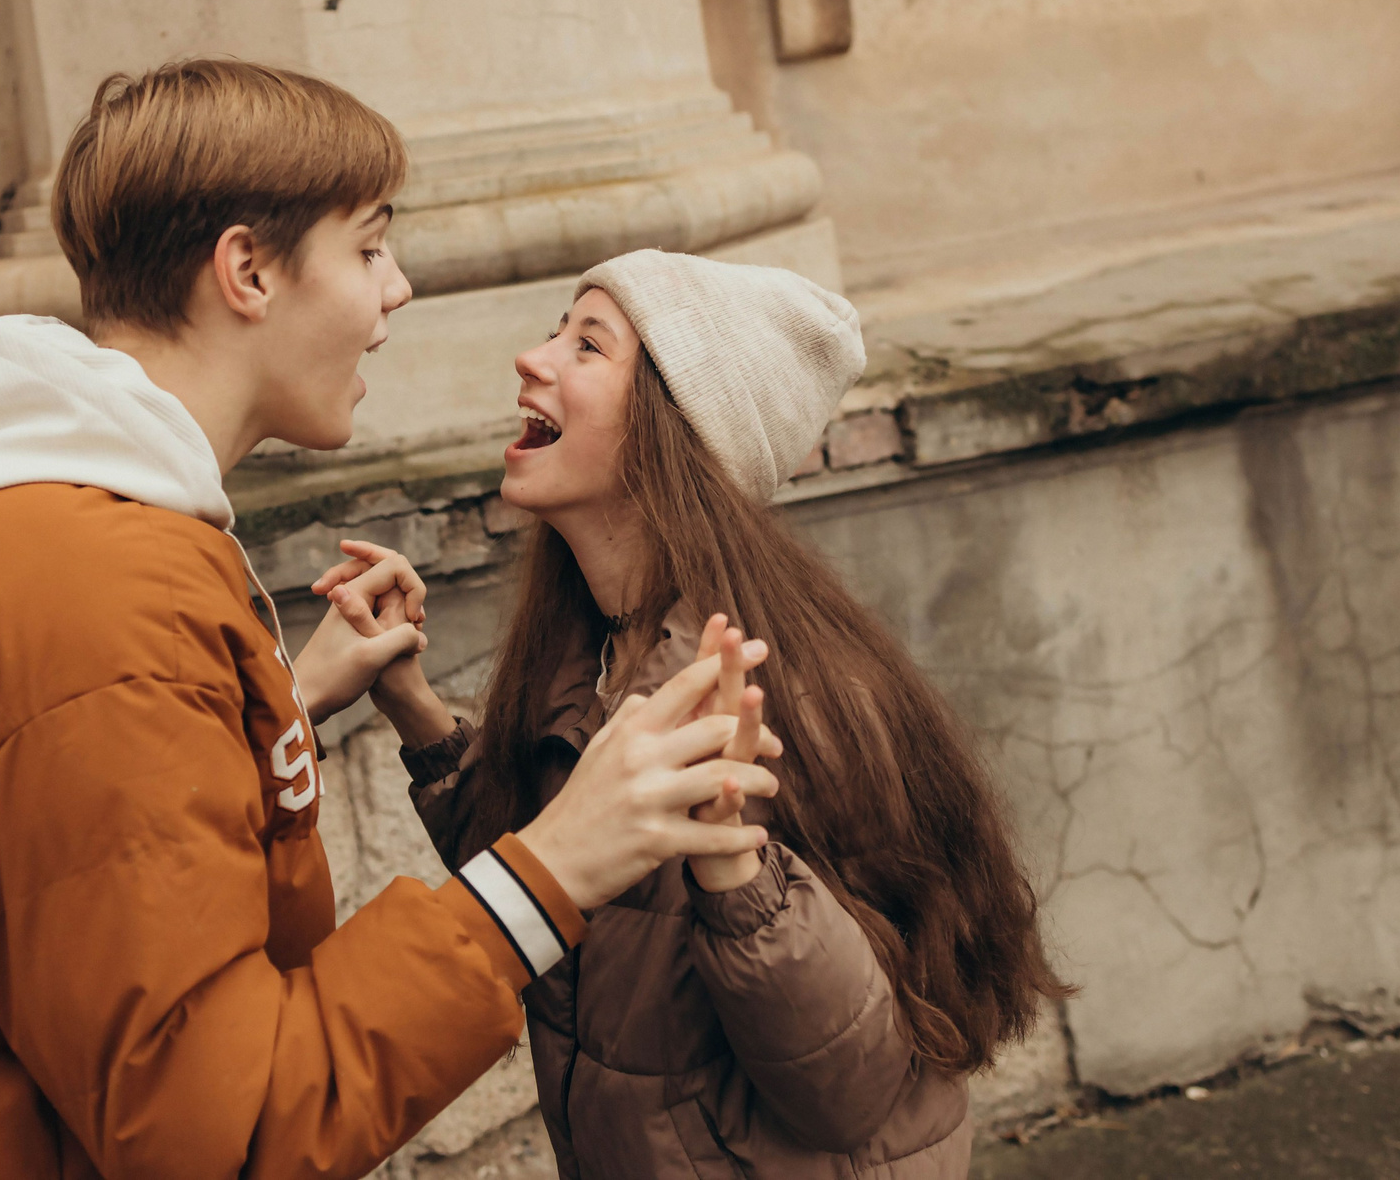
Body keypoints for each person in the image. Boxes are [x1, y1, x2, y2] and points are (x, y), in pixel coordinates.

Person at [0, 63, 781, 1179]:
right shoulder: (96, 604)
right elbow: (222, 1133)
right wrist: (548, 868)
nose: (399, 290)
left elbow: (33, 818)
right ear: (248, 273)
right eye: (369, 247)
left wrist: (273, 707)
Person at [329, 249, 1071, 1178]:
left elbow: (851, 1086)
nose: (534, 357)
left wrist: (735, 868)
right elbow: (549, 877)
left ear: (672, 435)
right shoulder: (591, 650)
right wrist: (416, 708)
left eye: (587, 345)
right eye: (560, 328)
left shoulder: (779, 696)